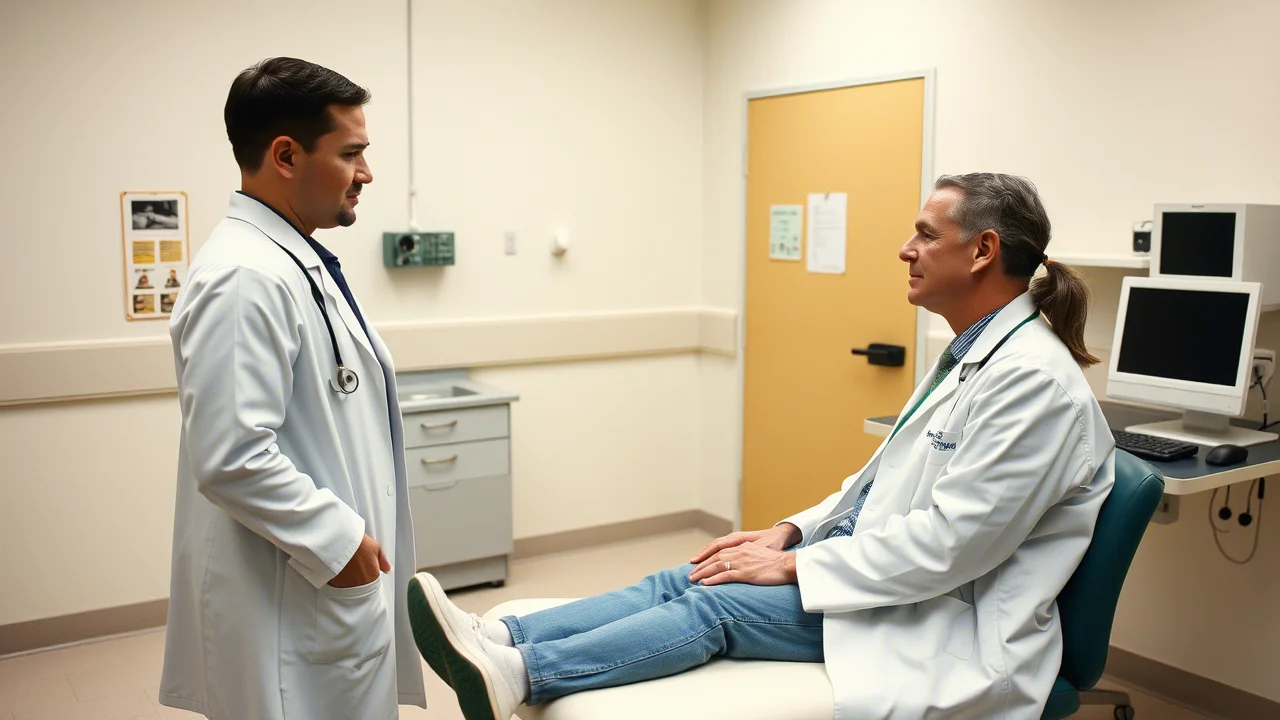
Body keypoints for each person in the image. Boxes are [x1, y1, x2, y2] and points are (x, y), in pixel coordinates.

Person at [414, 173, 1116, 720]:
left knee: (714, 607)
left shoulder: (1034, 383)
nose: (906, 249)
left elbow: (950, 549)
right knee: (694, 572)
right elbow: (873, 487)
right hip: (893, 583)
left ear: (983, 250)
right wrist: (790, 533)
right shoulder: (975, 356)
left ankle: (521, 675)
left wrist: (797, 570)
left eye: (925, 235)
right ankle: (502, 640)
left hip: (939, 616)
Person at [159, 57, 425, 719]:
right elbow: (231, 457)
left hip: (319, 594)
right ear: (285, 155)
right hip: (297, 595)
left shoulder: (290, 260)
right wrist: (340, 544)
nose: (367, 173)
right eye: (352, 153)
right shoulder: (245, 278)